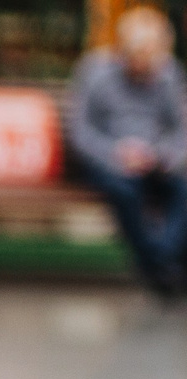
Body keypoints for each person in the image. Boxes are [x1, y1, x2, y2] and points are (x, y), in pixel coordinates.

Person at [65, 6, 187, 298]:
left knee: (183, 191)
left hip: (154, 163)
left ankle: (159, 260)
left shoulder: (169, 74)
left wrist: (160, 156)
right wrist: (114, 154)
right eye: (141, 58)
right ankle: (163, 265)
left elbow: (180, 132)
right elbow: (79, 133)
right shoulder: (94, 71)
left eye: (154, 58)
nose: (148, 67)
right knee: (124, 190)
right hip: (107, 163)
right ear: (123, 51)